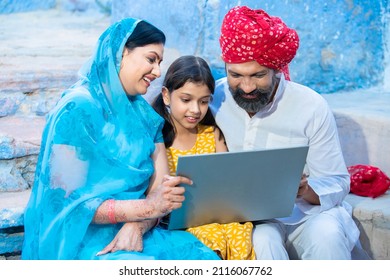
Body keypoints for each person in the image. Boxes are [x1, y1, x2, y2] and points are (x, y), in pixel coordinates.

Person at [21, 18, 220, 260]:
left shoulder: (146, 117)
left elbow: (160, 191)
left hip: (138, 230)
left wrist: (137, 226)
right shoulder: (77, 109)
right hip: (82, 238)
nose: (158, 72)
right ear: (121, 53)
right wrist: (145, 208)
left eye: (159, 62)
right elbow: (68, 201)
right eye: (151, 59)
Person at [210, 6, 360, 259]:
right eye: (236, 75)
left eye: (258, 75)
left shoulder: (310, 106)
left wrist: (305, 190)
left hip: (306, 214)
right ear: (225, 66)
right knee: (262, 240)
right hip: (247, 219)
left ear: (276, 70)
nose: (246, 87)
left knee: (327, 236)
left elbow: (337, 182)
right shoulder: (214, 97)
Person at [152, 55, 256, 260]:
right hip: (178, 224)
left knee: (239, 232)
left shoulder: (212, 135)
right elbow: (155, 193)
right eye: (186, 99)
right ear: (166, 95)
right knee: (210, 237)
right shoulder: (159, 139)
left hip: (218, 217)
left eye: (204, 101)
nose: (195, 110)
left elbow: (229, 182)